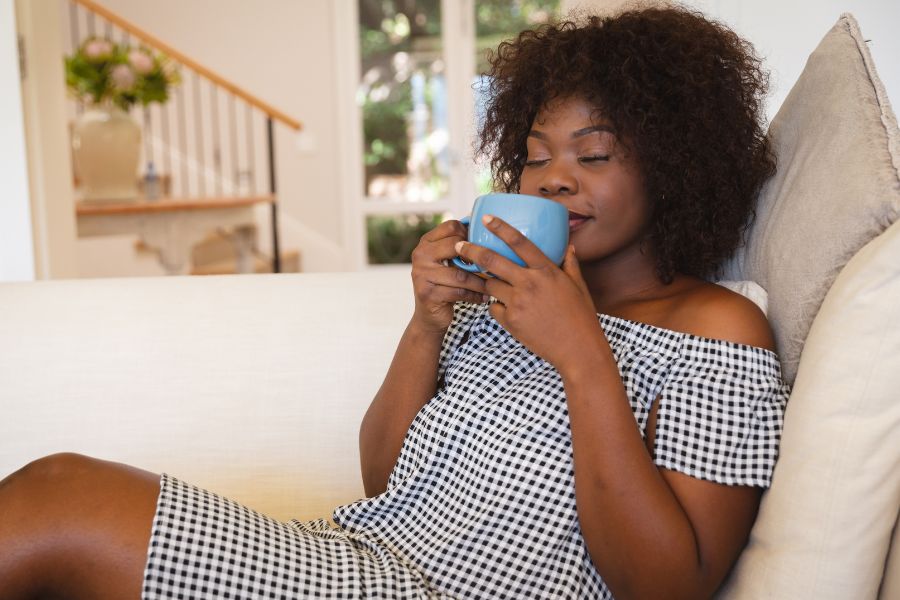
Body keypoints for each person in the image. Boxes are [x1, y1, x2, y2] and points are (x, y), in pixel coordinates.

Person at [0, 6, 789, 599]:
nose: (553, 178)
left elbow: (670, 585)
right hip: (369, 560)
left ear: (677, 164)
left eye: (594, 155)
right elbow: (387, 484)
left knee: (65, 495)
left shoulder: (717, 328)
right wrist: (427, 323)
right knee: (59, 500)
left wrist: (583, 354)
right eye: (536, 155)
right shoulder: (503, 299)